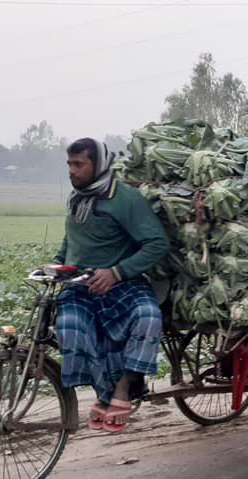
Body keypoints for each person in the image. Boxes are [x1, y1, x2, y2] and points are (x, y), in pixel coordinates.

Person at [53, 138, 169, 433]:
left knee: (148, 317)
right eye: (69, 164)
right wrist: (57, 264)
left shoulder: (125, 199)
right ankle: (104, 392)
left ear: (98, 164)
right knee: (70, 328)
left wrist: (116, 273)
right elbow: (74, 238)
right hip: (81, 285)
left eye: (79, 164)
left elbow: (157, 243)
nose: (72, 171)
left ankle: (122, 387)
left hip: (122, 284)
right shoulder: (79, 197)